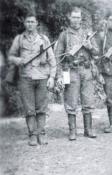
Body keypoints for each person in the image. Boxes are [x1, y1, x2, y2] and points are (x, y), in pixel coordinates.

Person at [8, 13, 56, 146]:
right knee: (29, 109)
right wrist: (19, 60)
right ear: (24, 23)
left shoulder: (44, 39)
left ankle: (41, 133)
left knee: (41, 108)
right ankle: (32, 135)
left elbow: (52, 60)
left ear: (37, 24)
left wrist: (52, 77)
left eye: (32, 22)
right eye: (27, 22)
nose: (30, 24)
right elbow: (11, 57)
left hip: (42, 78)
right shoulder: (19, 39)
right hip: (26, 78)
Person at [55, 7, 99, 140]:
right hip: (71, 70)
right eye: (73, 17)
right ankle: (72, 131)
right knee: (71, 100)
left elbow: (97, 52)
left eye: (78, 17)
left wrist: (89, 46)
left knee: (88, 99)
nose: (76, 20)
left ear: (81, 18)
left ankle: (88, 129)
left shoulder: (87, 33)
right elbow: (57, 56)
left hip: (86, 70)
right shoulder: (64, 35)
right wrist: (59, 75)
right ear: (69, 18)